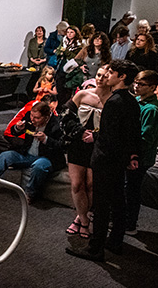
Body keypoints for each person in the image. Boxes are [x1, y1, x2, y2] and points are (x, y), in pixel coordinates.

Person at [66, 60, 140, 262]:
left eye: (112, 72)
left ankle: (95, 248)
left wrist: (95, 138)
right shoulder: (132, 101)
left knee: (102, 205)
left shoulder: (114, 102)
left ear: (122, 77)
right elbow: (133, 134)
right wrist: (132, 156)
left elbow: (109, 135)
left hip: (105, 159)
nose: (107, 75)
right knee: (117, 201)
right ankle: (115, 241)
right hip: (118, 160)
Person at [0, 101, 65, 203]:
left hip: (47, 157)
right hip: (27, 153)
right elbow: (13, 132)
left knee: (39, 166)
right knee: (6, 156)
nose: (32, 120)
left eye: (37, 118)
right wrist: (17, 128)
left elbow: (62, 146)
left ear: (46, 117)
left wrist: (46, 139)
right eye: (32, 116)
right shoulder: (29, 116)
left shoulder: (57, 124)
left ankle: (29, 194)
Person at [61, 64, 111, 239]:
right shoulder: (82, 94)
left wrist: (95, 137)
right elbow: (65, 115)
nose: (100, 78)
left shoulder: (112, 100)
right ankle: (83, 221)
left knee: (91, 185)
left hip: (98, 147)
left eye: (104, 76)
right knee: (76, 184)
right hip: (78, 144)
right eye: (98, 74)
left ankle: (82, 217)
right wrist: (80, 132)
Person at [125, 70, 158, 236]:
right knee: (127, 187)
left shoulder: (151, 109)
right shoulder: (137, 100)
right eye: (136, 82)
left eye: (141, 84)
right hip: (131, 153)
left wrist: (133, 155)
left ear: (152, 87)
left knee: (132, 190)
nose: (136, 86)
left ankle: (130, 224)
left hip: (141, 158)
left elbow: (146, 138)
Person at [54, 25, 83, 107]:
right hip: (61, 67)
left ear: (76, 33)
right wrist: (61, 51)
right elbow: (57, 52)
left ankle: (66, 107)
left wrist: (65, 51)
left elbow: (75, 57)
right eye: (68, 32)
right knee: (59, 88)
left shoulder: (79, 45)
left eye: (71, 32)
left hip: (72, 70)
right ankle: (59, 107)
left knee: (68, 90)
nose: (69, 34)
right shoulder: (64, 41)